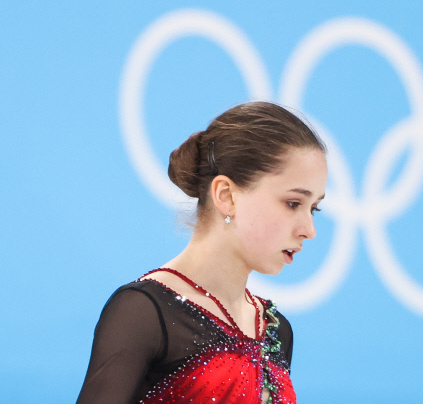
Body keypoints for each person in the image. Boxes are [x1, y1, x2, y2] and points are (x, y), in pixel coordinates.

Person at [77, 102, 328, 404]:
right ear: (226, 196)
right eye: (293, 204)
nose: (309, 229)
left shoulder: (275, 330)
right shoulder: (144, 314)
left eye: (314, 208)